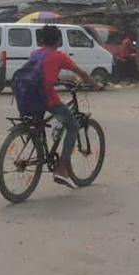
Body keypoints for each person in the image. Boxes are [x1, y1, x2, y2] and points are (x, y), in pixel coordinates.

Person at [35, 24, 97, 188]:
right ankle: (62, 166)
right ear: (57, 40)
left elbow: (43, 74)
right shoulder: (59, 56)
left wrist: (60, 80)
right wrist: (94, 83)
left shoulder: (35, 54)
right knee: (73, 125)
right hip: (47, 99)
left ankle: (40, 150)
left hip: (29, 98)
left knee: (39, 127)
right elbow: (80, 72)